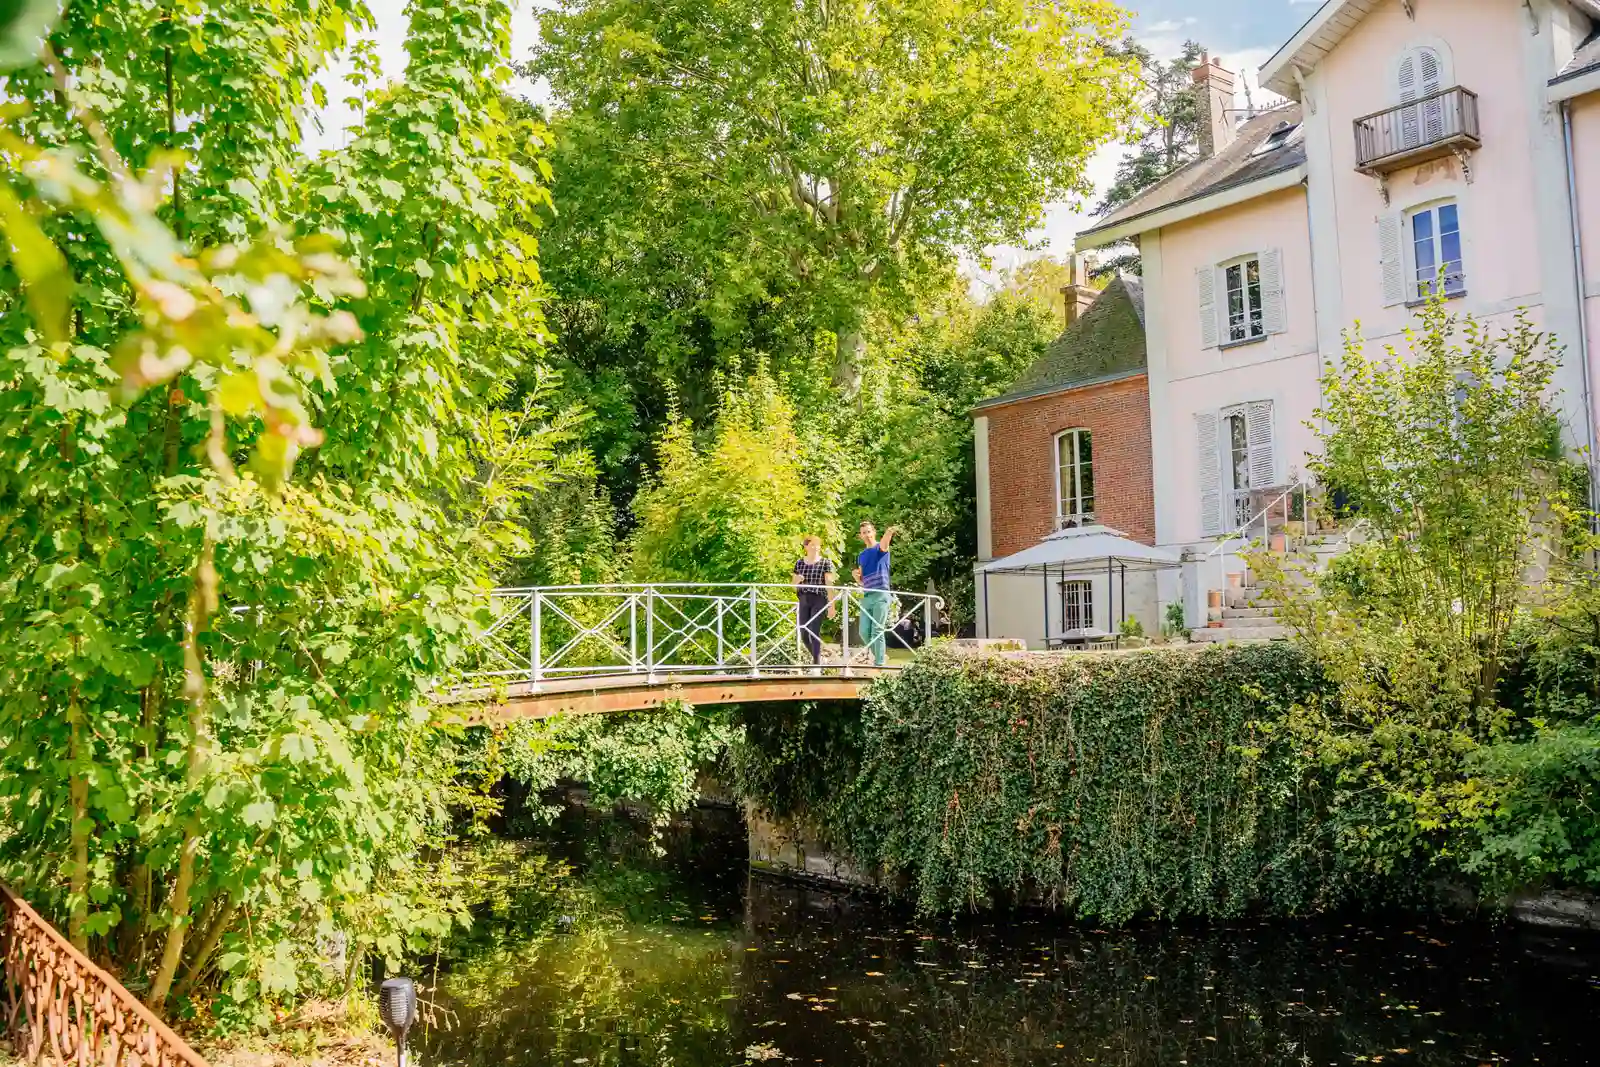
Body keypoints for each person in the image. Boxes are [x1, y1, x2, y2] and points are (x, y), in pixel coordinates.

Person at [852, 521, 899, 667]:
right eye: (864, 533)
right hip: (867, 595)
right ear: (861, 536)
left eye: (868, 532)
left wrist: (889, 532)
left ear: (874, 532)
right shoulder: (861, 555)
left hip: (881, 594)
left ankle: (879, 664)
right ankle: (881, 655)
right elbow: (862, 582)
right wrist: (855, 577)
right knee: (864, 632)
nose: (866, 535)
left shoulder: (880, 548)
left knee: (877, 629)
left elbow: (885, 544)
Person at [792, 536, 836, 669]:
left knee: (814, 629)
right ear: (805, 547)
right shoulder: (799, 563)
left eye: (817, 545)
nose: (815, 548)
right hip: (804, 598)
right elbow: (792, 584)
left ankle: (816, 664)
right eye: (811, 545)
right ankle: (817, 658)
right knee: (803, 632)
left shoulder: (825, 563)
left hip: (819, 598)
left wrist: (831, 605)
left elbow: (829, 584)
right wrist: (797, 580)